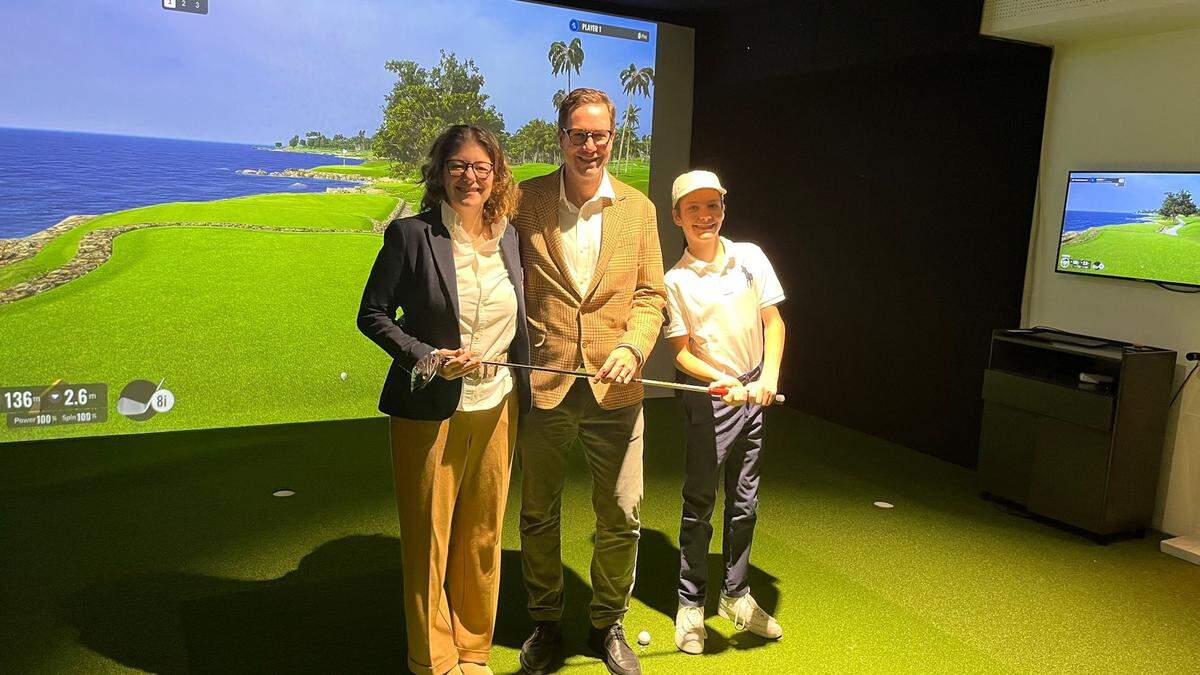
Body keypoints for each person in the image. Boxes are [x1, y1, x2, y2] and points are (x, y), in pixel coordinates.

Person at [357, 124, 528, 675]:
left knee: (482, 535)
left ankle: (474, 651)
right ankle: (432, 659)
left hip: (498, 405)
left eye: (481, 167)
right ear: (440, 172)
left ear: (496, 174)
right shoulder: (410, 235)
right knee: (429, 540)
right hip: (430, 411)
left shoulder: (509, 238)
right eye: (457, 165)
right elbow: (373, 315)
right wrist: (428, 356)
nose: (469, 176)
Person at [513, 88, 666, 675]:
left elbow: (652, 295)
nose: (589, 145)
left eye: (599, 135)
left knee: (623, 514)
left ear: (613, 137)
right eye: (578, 134)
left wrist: (634, 345)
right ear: (561, 137)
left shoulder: (640, 209)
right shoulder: (525, 201)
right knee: (537, 513)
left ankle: (608, 623)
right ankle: (545, 622)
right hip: (546, 386)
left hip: (616, 389)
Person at [663, 170, 786, 654]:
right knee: (700, 505)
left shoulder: (750, 257)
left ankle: (736, 596)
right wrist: (719, 380)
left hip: (754, 390)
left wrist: (767, 377)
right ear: (678, 217)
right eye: (693, 208)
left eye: (712, 206)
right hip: (709, 397)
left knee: (745, 502)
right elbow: (681, 352)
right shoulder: (675, 279)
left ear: (723, 210)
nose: (704, 216)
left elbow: (773, 322)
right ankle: (690, 606)